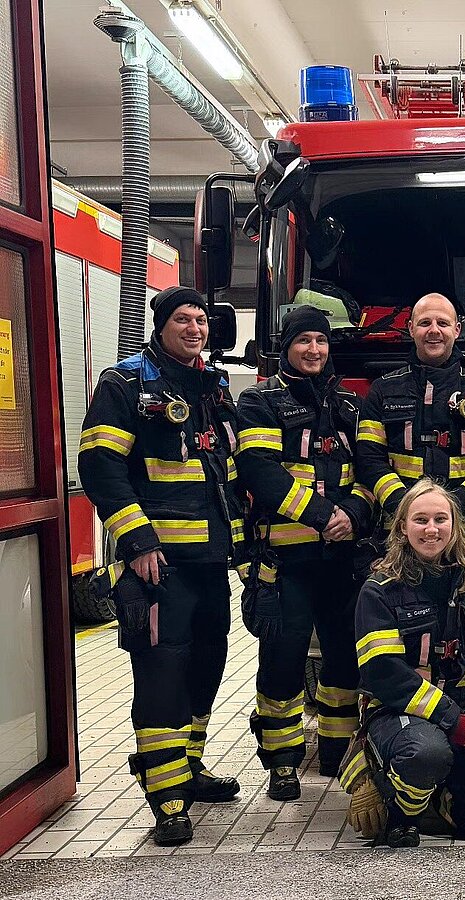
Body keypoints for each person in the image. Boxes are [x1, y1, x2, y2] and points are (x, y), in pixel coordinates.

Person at [78, 286, 243, 846]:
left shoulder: (212, 386)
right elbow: (100, 468)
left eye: (201, 320)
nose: (195, 329)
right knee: (162, 676)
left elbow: (226, 474)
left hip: (210, 564)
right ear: (161, 325)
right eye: (183, 320)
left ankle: (188, 767)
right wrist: (138, 542)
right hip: (159, 568)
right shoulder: (124, 385)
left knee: (207, 665)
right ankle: (167, 798)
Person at [235, 305, 375, 801]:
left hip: (342, 561)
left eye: (321, 341)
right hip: (285, 563)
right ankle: (282, 761)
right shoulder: (259, 401)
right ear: (286, 347)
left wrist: (353, 515)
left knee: (345, 657)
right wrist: (323, 516)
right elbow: (261, 472)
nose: (313, 350)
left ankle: (337, 750)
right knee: (283, 660)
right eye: (303, 341)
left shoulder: (350, 406)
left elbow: (369, 472)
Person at [340, 479, 465, 847]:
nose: (431, 529)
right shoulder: (379, 590)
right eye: (420, 520)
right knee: (426, 753)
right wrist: (452, 719)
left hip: (461, 714)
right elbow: (384, 673)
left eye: (440, 519)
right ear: (403, 527)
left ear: (454, 525)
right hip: (396, 712)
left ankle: (426, 789)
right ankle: (392, 803)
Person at [356, 292, 465, 572]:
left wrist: (454, 511)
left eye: (442, 323)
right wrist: (407, 512)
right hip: (399, 536)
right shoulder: (382, 390)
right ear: (410, 329)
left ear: (457, 329)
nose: (433, 331)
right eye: (424, 323)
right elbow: (369, 460)